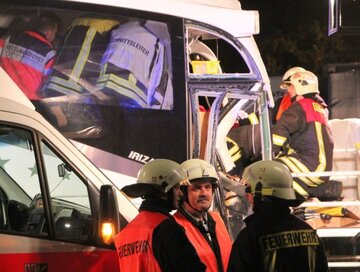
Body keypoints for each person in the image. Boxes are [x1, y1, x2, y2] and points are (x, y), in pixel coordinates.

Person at [227, 160, 329, 272]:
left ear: (260, 194)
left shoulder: (250, 237)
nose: (247, 197)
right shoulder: (310, 233)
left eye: (249, 191)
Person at [115, 159, 206, 272]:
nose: (181, 193)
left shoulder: (124, 235)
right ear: (163, 190)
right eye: (177, 187)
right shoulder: (166, 228)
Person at [272, 70, 338, 200]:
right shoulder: (319, 108)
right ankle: (318, 191)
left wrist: (270, 153)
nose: (289, 90)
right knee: (289, 187)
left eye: (291, 86)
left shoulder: (300, 107)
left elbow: (278, 133)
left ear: (301, 86)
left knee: (269, 170)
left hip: (310, 166)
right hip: (322, 168)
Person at [95, 19, 173, 109]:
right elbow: (163, 84)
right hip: (132, 99)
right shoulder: (160, 37)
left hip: (103, 90)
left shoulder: (120, 28)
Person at [174, 158, 232, 272]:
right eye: (196, 188)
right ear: (182, 192)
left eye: (208, 187)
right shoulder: (174, 226)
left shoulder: (217, 219)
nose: (204, 193)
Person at [0, 13, 59, 101]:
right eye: (54, 34)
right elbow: (48, 84)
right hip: (28, 103)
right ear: (49, 32)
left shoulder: (9, 38)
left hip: (3, 94)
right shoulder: (50, 53)